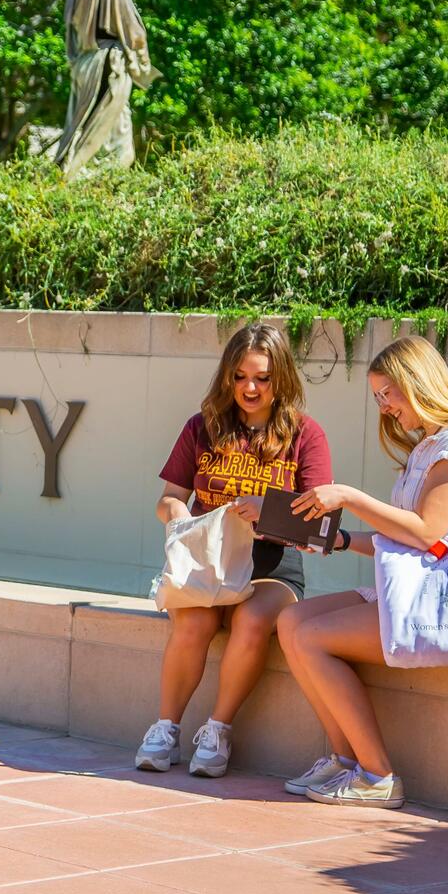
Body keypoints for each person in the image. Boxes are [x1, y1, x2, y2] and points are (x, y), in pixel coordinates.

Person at [275, 335, 448, 809]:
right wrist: (336, 540)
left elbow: (425, 534)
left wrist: (350, 497)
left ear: (415, 383)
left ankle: (378, 775)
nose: (384, 408)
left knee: (312, 637)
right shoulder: (428, 447)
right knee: (290, 621)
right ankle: (345, 759)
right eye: (377, 397)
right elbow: (411, 539)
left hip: (446, 602)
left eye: (387, 394)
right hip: (416, 589)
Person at [140, 323, 331, 776]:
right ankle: (166, 728)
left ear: (280, 378)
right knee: (195, 619)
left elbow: (321, 524)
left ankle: (218, 729)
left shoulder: (306, 434)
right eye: (240, 376)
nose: (250, 387)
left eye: (262, 378)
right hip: (209, 561)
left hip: (273, 566)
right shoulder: (201, 427)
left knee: (250, 621)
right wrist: (177, 516)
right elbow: (169, 498)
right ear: (227, 375)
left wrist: (268, 511)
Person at [51, 0, 159, 177]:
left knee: (83, 132)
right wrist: (142, 65)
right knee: (118, 149)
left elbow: (70, 34)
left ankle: (74, 182)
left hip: (84, 65)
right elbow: (134, 32)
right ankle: (91, 190)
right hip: (108, 68)